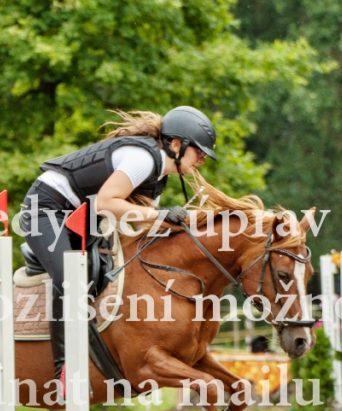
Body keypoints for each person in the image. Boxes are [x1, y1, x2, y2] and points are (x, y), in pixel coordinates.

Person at [19, 106, 217, 387]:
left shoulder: (158, 178)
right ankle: (64, 370)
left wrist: (184, 226)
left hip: (82, 218)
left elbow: (140, 224)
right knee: (72, 279)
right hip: (46, 209)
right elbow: (106, 203)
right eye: (199, 152)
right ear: (176, 144)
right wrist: (160, 215)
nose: (202, 160)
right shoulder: (142, 159)